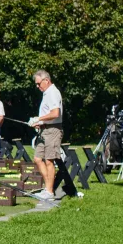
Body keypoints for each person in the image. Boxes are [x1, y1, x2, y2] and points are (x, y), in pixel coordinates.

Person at [27, 70, 70, 201]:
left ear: (46, 80)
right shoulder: (46, 93)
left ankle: (49, 192)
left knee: (49, 160)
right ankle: (47, 188)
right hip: (44, 130)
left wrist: (39, 118)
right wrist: (39, 122)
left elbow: (55, 113)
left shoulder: (52, 92)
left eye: (38, 83)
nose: (37, 86)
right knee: (38, 159)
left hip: (53, 130)